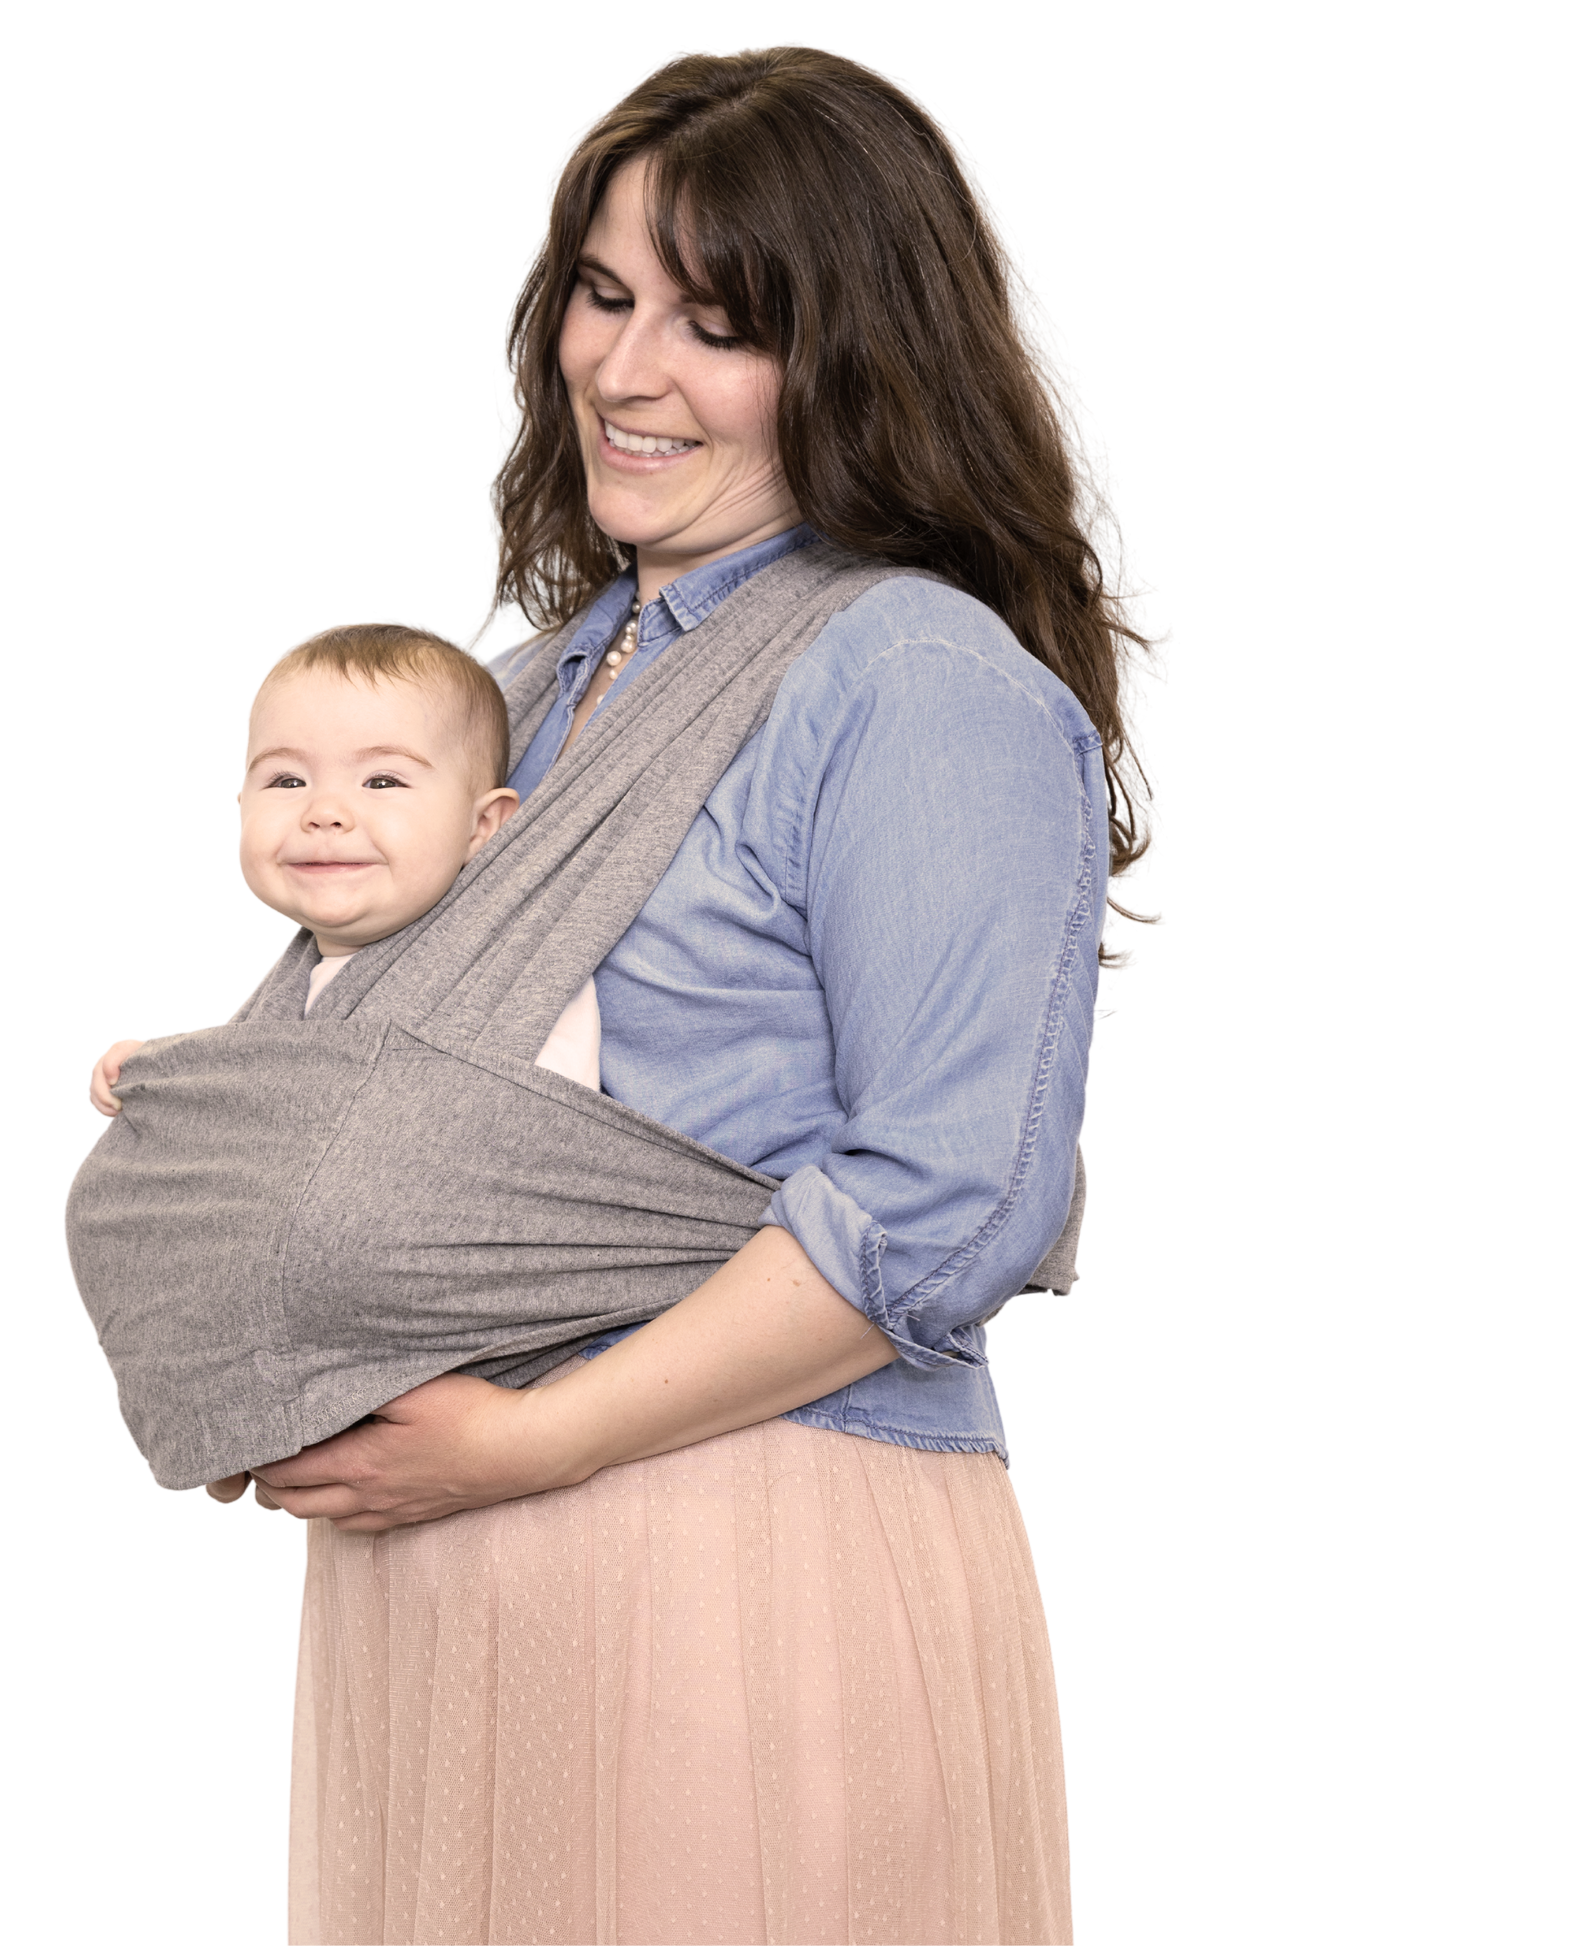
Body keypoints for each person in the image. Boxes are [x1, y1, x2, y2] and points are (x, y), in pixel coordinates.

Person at [201, 42, 1170, 1944]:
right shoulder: (530, 690)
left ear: (861, 356)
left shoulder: (916, 685)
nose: (625, 374)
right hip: (435, 1573)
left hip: (739, 1558)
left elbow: (950, 1199)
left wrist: (534, 1441)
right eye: (605, 293)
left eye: (717, 326)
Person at [83, 622, 604, 1126]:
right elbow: (261, 1092)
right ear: (239, 805)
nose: (325, 811)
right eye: (288, 780)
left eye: (381, 781)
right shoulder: (291, 984)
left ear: (481, 824)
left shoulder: (519, 975)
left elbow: (541, 1145)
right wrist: (166, 1071)